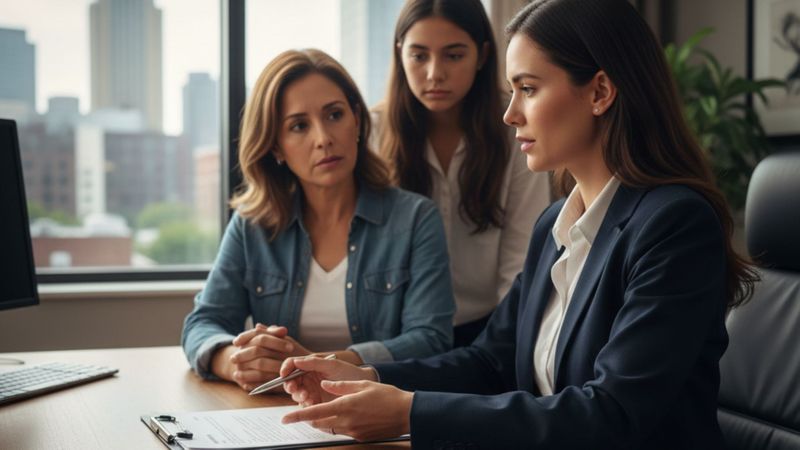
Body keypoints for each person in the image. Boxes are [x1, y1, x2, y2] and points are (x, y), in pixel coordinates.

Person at [278, 0, 759, 448]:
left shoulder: (673, 224)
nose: (510, 114)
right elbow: (491, 360)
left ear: (600, 92)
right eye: (512, 92)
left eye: (528, 89)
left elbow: (613, 414)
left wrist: (410, 413)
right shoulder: (555, 223)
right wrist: (372, 377)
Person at [181, 49, 455, 393]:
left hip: (376, 411)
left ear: (356, 120)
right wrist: (234, 361)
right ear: (276, 147)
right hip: (274, 412)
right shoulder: (252, 225)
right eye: (299, 126)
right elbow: (203, 323)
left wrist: (316, 364)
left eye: (335, 115)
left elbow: (432, 339)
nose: (323, 138)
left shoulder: (415, 219)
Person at [373, 0, 551, 346]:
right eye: (419, 55)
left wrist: (504, 348)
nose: (434, 73)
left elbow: (521, 256)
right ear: (399, 54)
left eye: (453, 56)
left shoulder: (515, 129)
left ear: (482, 56)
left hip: (489, 327)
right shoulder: (373, 132)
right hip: (400, 334)